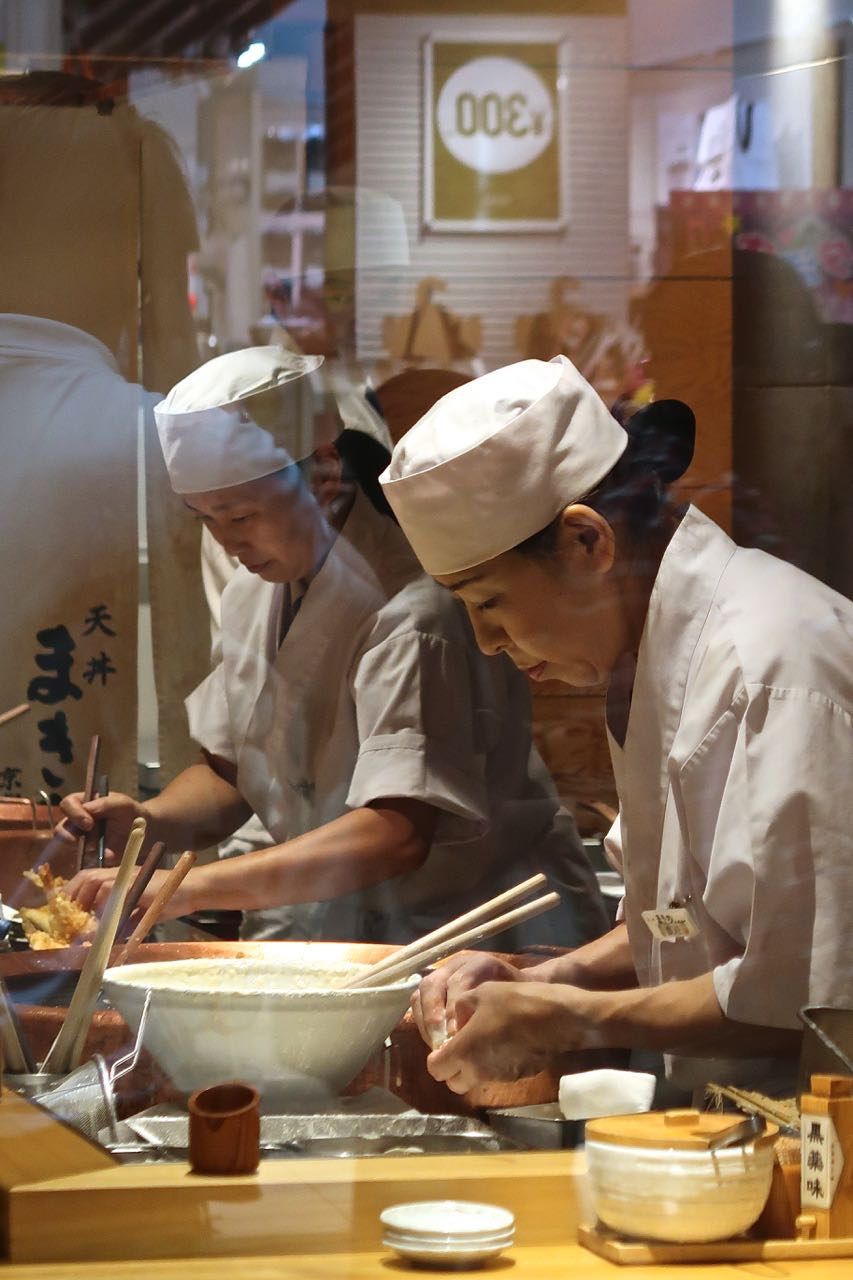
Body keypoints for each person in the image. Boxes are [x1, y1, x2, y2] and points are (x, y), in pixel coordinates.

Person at [378, 354, 853, 1096]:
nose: (485, 642)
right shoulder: (648, 658)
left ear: (586, 542)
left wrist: (570, 1016)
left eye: (489, 602)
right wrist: (542, 974)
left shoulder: (772, 664)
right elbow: (678, 927)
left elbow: (802, 997)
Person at [63, 346, 608, 949]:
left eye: (241, 514)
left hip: (485, 931)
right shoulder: (255, 592)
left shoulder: (412, 610)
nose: (225, 542)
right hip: (354, 930)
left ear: (325, 475)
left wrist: (184, 888)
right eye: (205, 519)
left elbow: (396, 831)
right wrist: (146, 821)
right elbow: (231, 772)